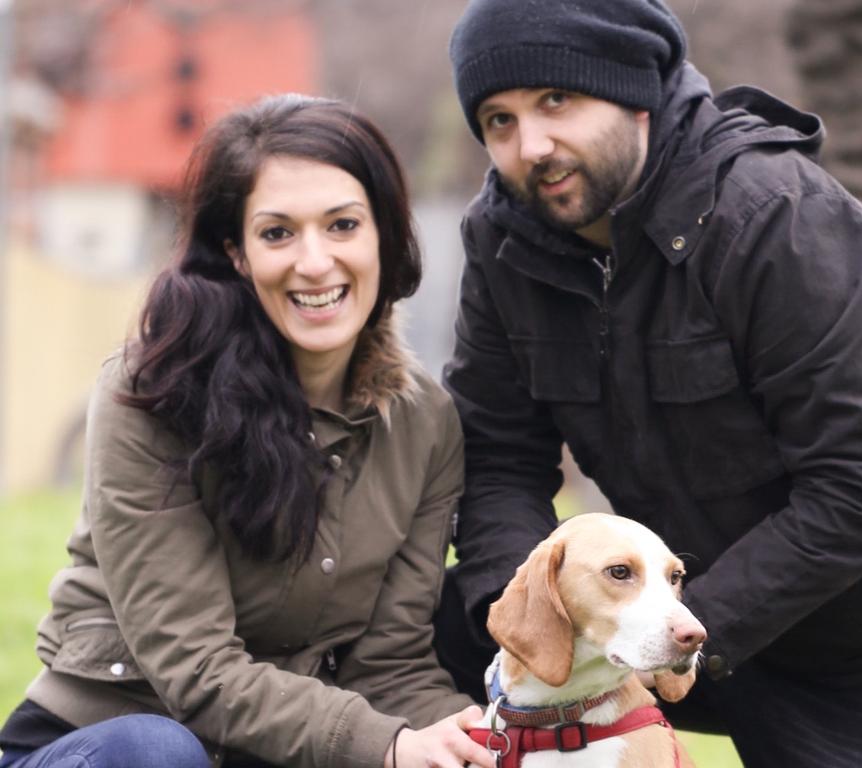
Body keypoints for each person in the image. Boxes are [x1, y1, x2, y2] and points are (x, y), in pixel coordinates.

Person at [436, 1, 862, 766]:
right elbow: (498, 457)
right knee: (404, 634)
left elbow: (860, 488)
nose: (532, 146)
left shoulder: (778, 215)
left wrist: (677, 636)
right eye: (498, 120)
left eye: (557, 101)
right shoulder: (503, 236)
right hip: (694, 614)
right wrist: (522, 625)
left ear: (636, 91)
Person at [0, 94, 495, 768]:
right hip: (120, 740)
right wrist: (387, 746)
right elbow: (196, 669)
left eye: (344, 225)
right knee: (159, 753)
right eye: (277, 233)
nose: (315, 262)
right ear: (236, 253)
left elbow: (392, 668)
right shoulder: (152, 396)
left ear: (385, 233)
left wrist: (486, 744)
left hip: (270, 751)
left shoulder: (424, 425)